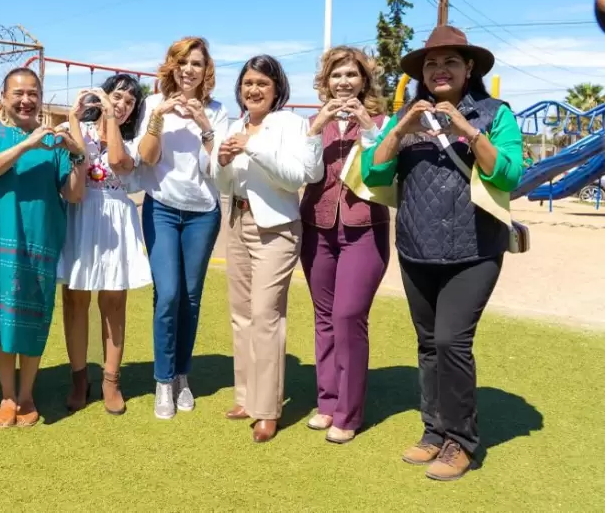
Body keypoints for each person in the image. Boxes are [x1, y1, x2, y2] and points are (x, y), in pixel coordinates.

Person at [362, 26, 524, 481]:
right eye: (431, 64)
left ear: (468, 68)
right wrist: (401, 131)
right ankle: (434, 432)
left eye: (450, 61)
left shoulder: (496, 114)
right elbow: (373, 173)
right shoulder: (405, 118)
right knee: (429, 345)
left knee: (453, 341)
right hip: (415, 248)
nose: (440, 70)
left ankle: (461, 441)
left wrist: (468, 129)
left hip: (475, 250)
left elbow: (509, 175)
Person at [0, 67, 88, 428]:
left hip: (39, 241)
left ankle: (26, 395)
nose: (25, 99)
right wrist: (25, 145)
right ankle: (6, 394)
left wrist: (77, 155)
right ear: (3, 98)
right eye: (18, 93)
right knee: (2, 316)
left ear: (41, 97)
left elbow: (74, 193)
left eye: (32, 93)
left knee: (33, 314)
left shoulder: (53, 143)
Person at [211, 55, 323, 443]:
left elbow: (296, 178)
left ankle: (267, 409)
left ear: (277, 89)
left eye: (262, 83)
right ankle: (246, 396)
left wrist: (252, 147)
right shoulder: (235, 124)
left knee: (265, 314)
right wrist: (222, 162)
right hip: (238, 222)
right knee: (241, 314)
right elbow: (225, 184)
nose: (253, 90)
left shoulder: (290, 124)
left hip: (276, 228)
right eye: (247, 83)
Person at [299, 46, 391, 445]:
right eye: (337, 75)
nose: (344, 82)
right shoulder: (314, 122)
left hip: (364, 227)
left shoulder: (383, 123)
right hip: (317, 225)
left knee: (349, 316)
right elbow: (307, 171)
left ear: (364, 80)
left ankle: (348, 413)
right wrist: (316, 128)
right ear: (326, 81)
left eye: (351, 75)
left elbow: (384, 168)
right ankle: (328, 401)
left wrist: (368, 126)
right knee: (324, 318)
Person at [135, 36, 229, 419]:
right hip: (161, 209)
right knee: (168, 294)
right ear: (171, 65)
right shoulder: (154, 104)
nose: (189, 69)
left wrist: (205, 124)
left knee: (190, 297)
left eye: (197, 63)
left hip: (203, 213)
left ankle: (181, 377)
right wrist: (158, 120)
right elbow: (146, 159)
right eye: (183, 62)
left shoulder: (219, 111)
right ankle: (162, 379)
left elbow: (219, 168)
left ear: (206, 71)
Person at [58, 75, 152, 416]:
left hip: (116, 218)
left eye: (129, 101)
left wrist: (111, 118)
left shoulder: (137, 139)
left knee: (113, 303)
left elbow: (115, 162)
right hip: (80, 215)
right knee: (75, 299)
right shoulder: (75, 132)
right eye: (116, 96)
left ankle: (111, 380)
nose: (122, 104)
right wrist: (74, 120)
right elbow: (75, 176)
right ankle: (79, 378)